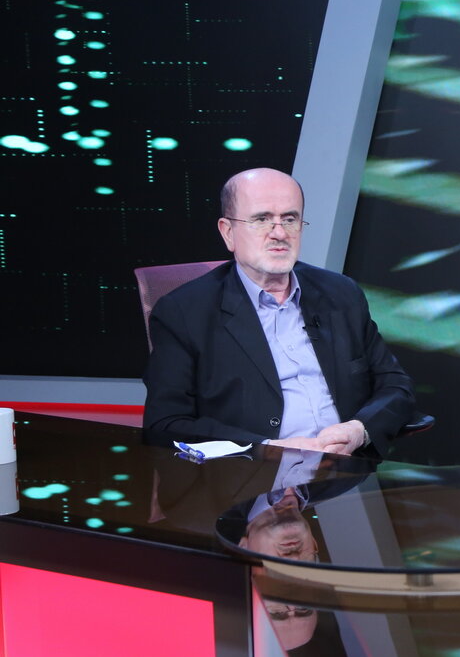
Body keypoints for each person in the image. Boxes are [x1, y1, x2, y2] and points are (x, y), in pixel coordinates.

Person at [143, 167, 415, 457]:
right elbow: (165, 425)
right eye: (261, 219)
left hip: (348, 468)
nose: (280, 233)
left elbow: (396, 385)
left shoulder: (341, 294)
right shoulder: (184, 313)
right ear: (228, 232)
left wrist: (359, 429)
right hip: (248, 474)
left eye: (290, 219)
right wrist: (269, 450)